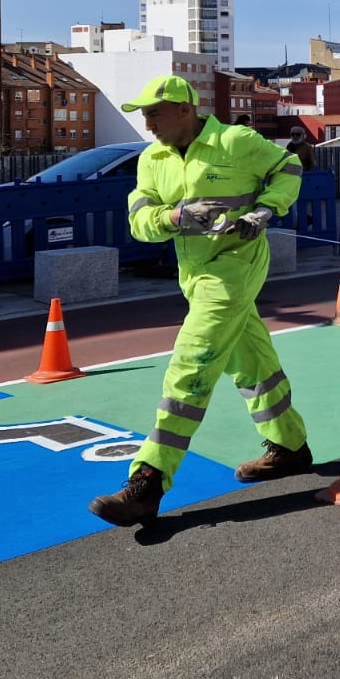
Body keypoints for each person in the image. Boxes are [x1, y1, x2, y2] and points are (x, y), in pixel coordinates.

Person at [89, 75, 311, 527]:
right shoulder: (151, 159)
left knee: (190, 366)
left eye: (154, 112)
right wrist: (176, 216)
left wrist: (264, 211)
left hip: (236, 265)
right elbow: (139, 220)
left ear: (184, 109)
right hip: (193, 274)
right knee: (251, 363)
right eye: (144, 114)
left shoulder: (236, 141)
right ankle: (290, 447)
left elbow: (289, 166)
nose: (146, 123)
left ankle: (148, 481)